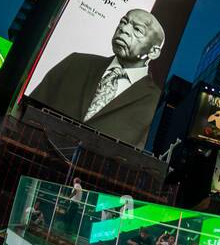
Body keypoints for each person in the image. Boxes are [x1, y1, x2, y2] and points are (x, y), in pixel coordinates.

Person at [27, 9, 167, 148]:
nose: (124, 29)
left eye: (137, 30)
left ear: (153, 52)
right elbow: (27, 109)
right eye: (123, 22)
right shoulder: (75, 63)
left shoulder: (156, 103)